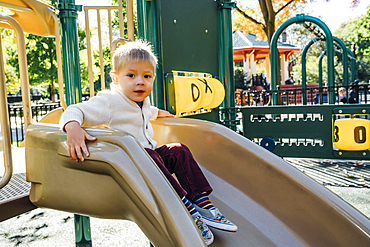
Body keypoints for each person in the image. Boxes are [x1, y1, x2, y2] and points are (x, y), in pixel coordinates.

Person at [59, 40, 237, 245]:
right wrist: (72, 126)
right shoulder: (109, 102)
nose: (140, 82)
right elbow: (75, 109)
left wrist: (157, 112)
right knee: (149, 155)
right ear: (116, 79)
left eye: (146, 76)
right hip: (130, 166)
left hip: (150, 159)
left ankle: (201, 202)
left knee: (178, 150)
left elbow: (141, 112)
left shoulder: (141, 100)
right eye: (131, 75)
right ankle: (185, 207)